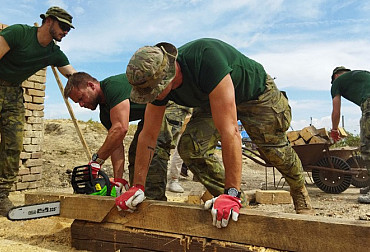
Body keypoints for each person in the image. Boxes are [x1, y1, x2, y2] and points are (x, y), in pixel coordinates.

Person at [116, 38, 314, 228]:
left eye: (154, 91)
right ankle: (235, 201)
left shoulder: (206, 58)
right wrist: (137, 186)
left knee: (274, 151)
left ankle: (298, 189)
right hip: (211, 100)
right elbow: (149, 136)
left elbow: (230, 131)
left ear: (168, 74)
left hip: (256, 95)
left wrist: (232, 191)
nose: (153, 96)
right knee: (191, 147)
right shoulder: (157, 87)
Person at [64, 72, 190, 200]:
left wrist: (96, 161)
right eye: (77, 102)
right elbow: (116, 145)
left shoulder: (112, 86)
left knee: (153, 152)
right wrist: (117, 181)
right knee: (136, 154)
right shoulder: (105, 113)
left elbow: (121, 128)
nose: (81, 104)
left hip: (169, 102)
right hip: (150, 112)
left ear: (91, 85)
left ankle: (155, 202)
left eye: (81, 98)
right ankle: (136, 196)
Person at [0, 6, 76, 216]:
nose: (66, 32)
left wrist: (90, 84)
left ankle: (1, 195)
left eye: (69, 29)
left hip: (14, 93)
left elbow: (72, 73)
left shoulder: (53, 52)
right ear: (49, 21)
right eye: (63, 26)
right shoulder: (18, 33)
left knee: (14, 144)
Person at [330, 66, 370, 204]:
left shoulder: (337, 82)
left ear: (335, 76)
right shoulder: (362, 74)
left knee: (367, 148)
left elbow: (336, 111)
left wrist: (334, 130)